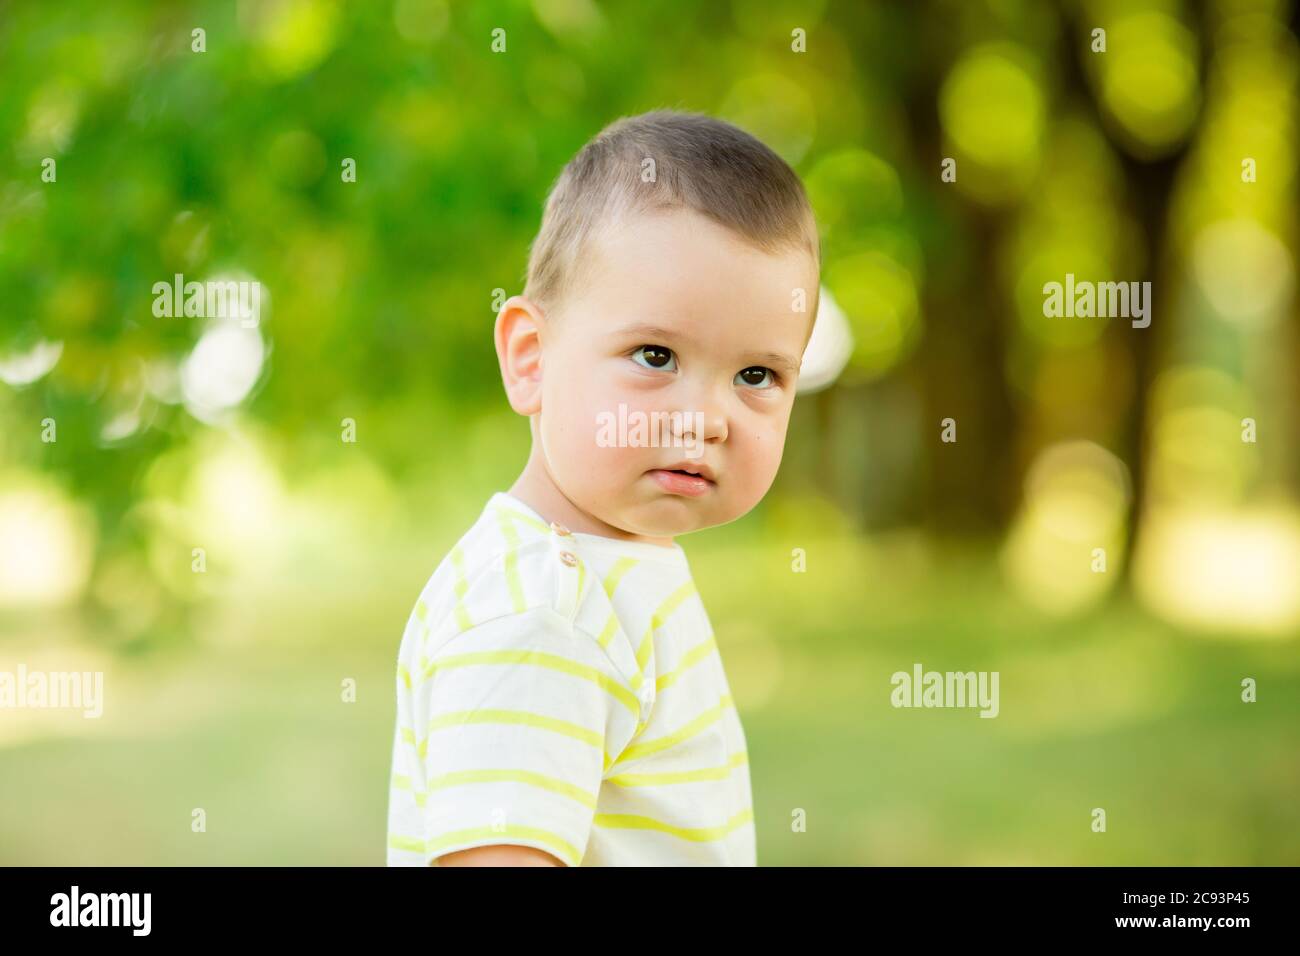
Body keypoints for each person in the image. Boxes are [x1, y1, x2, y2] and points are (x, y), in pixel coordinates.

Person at [386, 109, 821, 866]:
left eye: (757, 376)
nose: (704, 420)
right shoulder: (542, 616)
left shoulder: (599, 577)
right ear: (531, 358)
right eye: (655, 355)